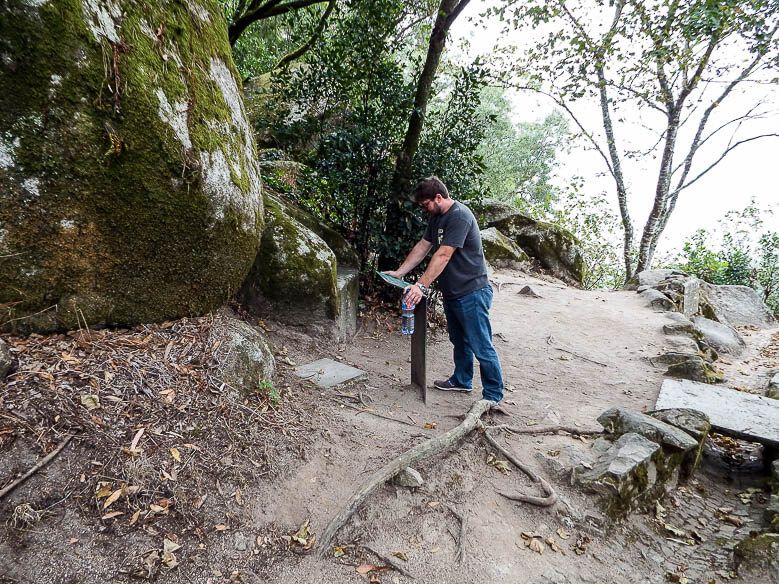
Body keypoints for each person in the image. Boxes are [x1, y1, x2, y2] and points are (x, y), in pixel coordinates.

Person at [384, 176, 504, 403]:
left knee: (481, 345)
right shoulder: (437, 217)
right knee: (460, 340)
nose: (424, 209)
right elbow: (423, 246)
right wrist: (400, 272)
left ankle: (493, 396)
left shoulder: (459, 216)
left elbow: (443, 254)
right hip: (454, 293)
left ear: (438, 197)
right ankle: (462, 380)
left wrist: (420, 286)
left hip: (473, 292)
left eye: (426, 204)